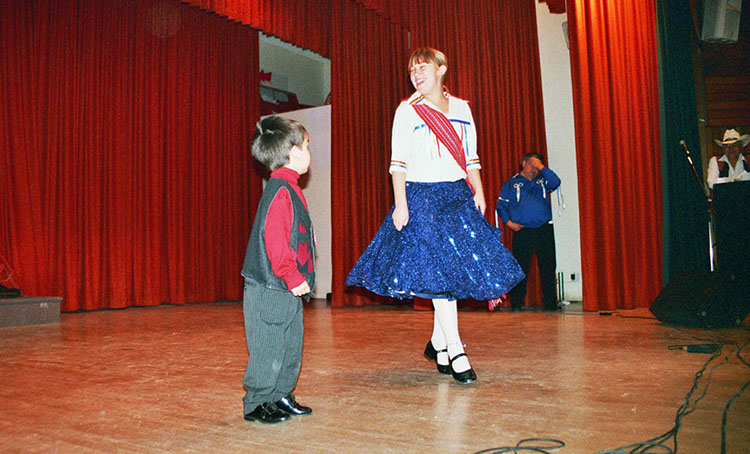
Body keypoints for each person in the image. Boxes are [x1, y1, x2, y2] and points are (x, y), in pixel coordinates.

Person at [346, 47, 524, 385]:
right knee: (440, 271)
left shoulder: (462, 108)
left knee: (452, 271)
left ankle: (439, 344)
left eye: (423, 67)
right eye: (412, 70)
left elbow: (471, 157)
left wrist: (479, 191)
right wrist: (401, 204)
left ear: (441, 69)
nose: (416, 74)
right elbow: (398, 163)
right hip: (422, 197)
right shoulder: (407, 110)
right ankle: (455, 349)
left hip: (457, 195)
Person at [240, 115, 316, 424]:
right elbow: (275, 242)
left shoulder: (289, 186)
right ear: (294, 153)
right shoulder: (280, 190)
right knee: (268, 345)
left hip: (284, 288)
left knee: (290, 344)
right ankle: (258, 402)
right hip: (270, 287)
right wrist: (293, 276)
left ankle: (280, 394)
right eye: (307, 146)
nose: (310, 152)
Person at [496, 153, 561, 312]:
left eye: (537, 166)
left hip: (543, 229)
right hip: (522, 231)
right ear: (524, 163)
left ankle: (550, 303)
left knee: (548, 267)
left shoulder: (543, 181)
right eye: (532, 164)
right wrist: (509, 223)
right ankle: (517, 303)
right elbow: (501, 206)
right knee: (520, 268)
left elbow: (556, 182)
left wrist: (541, 167)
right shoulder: (511, 183)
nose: (534, 169)